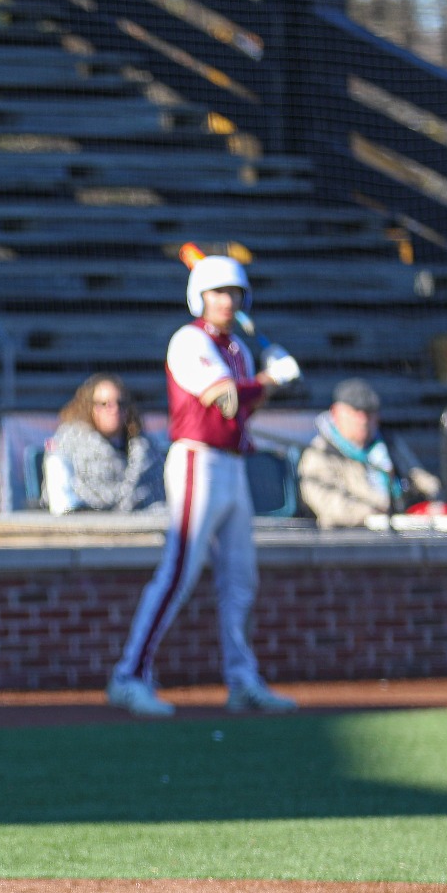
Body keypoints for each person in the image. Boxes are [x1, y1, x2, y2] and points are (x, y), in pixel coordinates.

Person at [106, 255, 301, 718]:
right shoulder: (187, 339)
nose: (227, 301)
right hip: (197, 460)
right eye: (217, 293)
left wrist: (263, 378)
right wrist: (271, 380)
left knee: (241, 578)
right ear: (200, 296)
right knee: (179, 571)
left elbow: (242, 404)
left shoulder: (238, 348)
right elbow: (227, 399)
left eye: (233, 293)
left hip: (233, 464)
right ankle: (129, 675)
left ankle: (242, 678)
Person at [298, 379, 444, 528]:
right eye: (355, 412)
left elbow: (419, 477)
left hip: (402, 529)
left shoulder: (389, 443)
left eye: (369, 413)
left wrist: (428, 497)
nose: (363, 420)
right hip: (351, 538)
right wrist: (376, 512)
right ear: (336, 413)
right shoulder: (320, 452)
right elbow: (327, 503)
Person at [46, 373, 165, 513]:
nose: (114, 409)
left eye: (120, 404)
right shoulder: (69, 446)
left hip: (144, 523)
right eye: (104, 404)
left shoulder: (146, 450)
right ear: (89, 408)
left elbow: (157, 496)